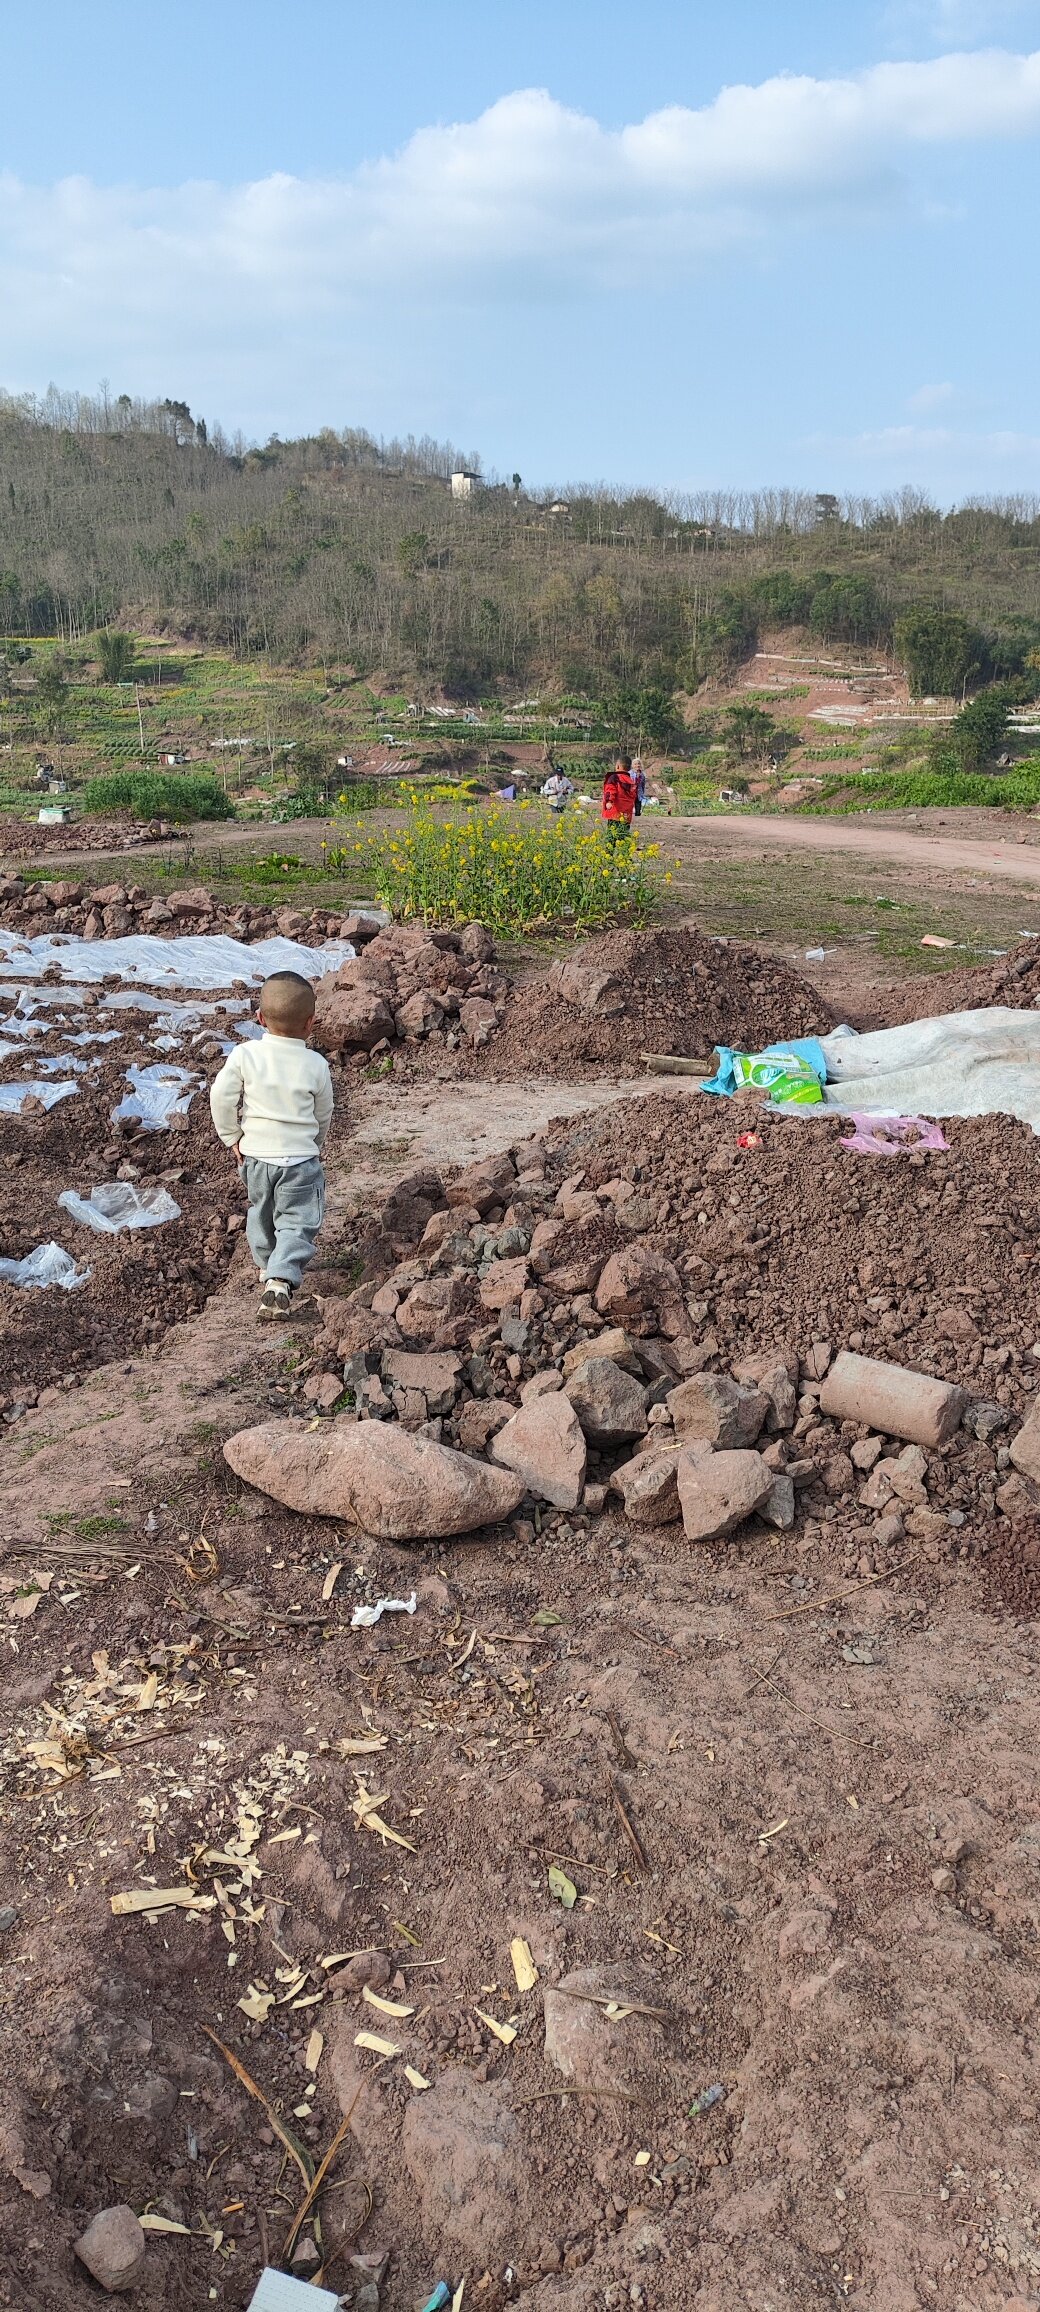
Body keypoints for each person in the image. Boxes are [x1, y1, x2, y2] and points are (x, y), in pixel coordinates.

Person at [209, 970, 333, 1321]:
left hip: (255, 1158)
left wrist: (231, 1136)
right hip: (300, 1161)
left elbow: (220, 1096)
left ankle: (268, 1266)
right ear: (310, 1022)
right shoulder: (316, 1064)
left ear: (260, 1018)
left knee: (261, 1212)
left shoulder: (245, 1054)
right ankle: (281, 1277)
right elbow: (323, 1112)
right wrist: (315, 1143)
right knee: (298, 1220)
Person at [601, 754, 637, 839]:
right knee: (623, 835)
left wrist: (609, 801)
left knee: (612, 836)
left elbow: (610, 790)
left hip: (615, 812)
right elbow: (633, 796)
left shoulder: (614, 777)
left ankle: (611, 848)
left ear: (617, 766)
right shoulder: (631, 781)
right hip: (626, 815)